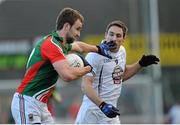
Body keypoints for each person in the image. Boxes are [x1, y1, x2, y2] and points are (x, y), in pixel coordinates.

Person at [11, 7, 113, 124]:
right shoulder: (52, 45)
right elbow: (67, 76)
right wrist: (88, 69)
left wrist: (99, 49)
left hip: (40, 104)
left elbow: (79, 46)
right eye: (77, 29)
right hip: (27, 101)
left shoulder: (60, 44)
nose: (79, 34)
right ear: (66, 26)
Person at [75, 20, 160, 124]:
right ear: (106, 35)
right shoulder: (94, 55)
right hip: (92, 112)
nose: (114, 38)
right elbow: (85, 85)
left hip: (110, 111)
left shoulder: (122, 52)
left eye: (118, 36)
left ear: (123, 39)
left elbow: (120, 76)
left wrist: (140, 64)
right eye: (111, 34)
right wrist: (102, 105)